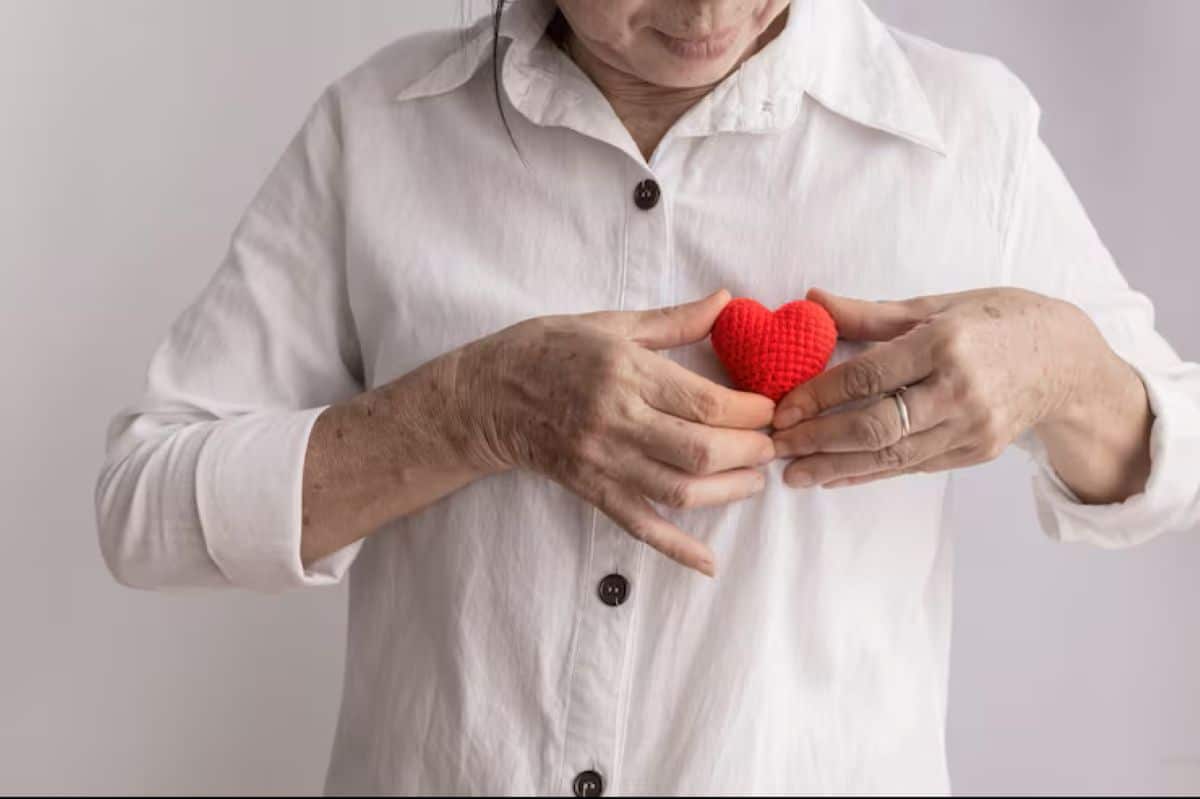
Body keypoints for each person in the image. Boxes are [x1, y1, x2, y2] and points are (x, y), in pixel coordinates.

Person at [94, 0, 1200, 794]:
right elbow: (143, 509)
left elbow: (1178, 465)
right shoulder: (378, 128)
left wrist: (1064, 370)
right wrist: (465, 411)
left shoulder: (967, 132)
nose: (709, 7)